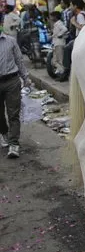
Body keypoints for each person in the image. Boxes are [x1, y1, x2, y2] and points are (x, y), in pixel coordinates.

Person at [0, 27, 31, 158]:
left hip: (12, 81)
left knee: (13, 114)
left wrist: (26, 77)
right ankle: (4, 133)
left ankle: (14, 144)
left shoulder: (10, 41)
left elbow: (19, 60)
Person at [49, 11, 68, 78]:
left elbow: (65, 29)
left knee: (60, 61)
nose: (50, 18)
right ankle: (60, 72)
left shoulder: (59, 23)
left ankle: (62, 74)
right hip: (56, 43)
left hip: (59, 43)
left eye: (51, 16)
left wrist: (60, 34)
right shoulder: (56, 24)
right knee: (54, 61)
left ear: (55, 17)